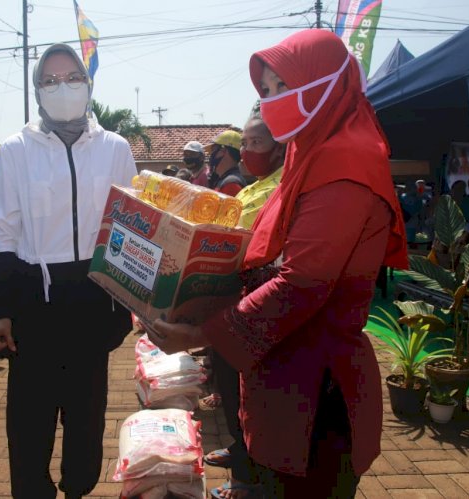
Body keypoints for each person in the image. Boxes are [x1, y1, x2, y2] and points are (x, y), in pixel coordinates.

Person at [145, 30, 408, 498]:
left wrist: (203, 333)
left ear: (327, 83)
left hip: (315, 395)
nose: (270, 102)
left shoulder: (346, 162)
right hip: (282, 382)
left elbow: (300, 283)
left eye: (281, 87)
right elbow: (259, 260)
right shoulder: (307, 156)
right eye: (264, 92)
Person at [0, 43, 135, 499]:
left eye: (72, 77)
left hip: (94, 294)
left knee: (87, 412)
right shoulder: (15, 150)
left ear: (88, 86)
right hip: (35, 296)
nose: (62, 87)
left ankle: (78, 487)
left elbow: (130, 224)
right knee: (30, 415)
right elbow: (2, 232)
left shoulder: (114, 147)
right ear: (36, 90)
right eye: (50, 80)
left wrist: (133, 300)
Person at [201, 115, 286, 497]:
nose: (248, 152)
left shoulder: (281, 187)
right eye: (246, 143)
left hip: (253, 304)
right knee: (230, 386)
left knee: (246, 393)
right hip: (231, 296)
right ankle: (241, 453)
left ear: (280, 146)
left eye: (255, 143)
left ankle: (249, 478)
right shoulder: (254, 186)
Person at [205, 130, 247, 196]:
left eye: (213, 150)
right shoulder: (224, 180)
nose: (211, 155)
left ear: (223, 151)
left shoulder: (231, 184)